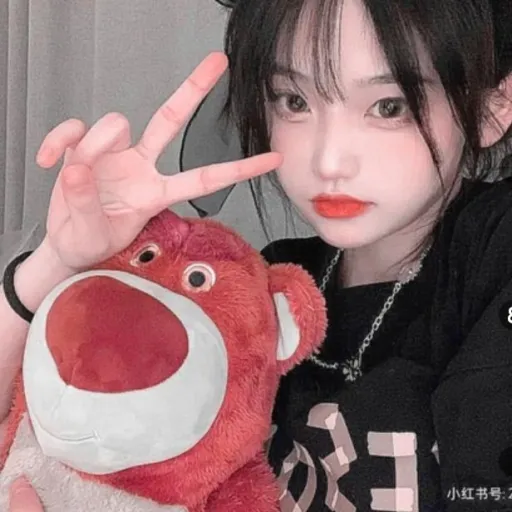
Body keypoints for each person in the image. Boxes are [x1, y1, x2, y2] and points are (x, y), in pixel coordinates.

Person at [2, 0, 512, 509]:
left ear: (492, 108)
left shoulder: (491, 261)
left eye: (388, 106)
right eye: (294, 101)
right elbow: (51, 429)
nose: (328, 160)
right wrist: (60, 259)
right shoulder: (259, 284)